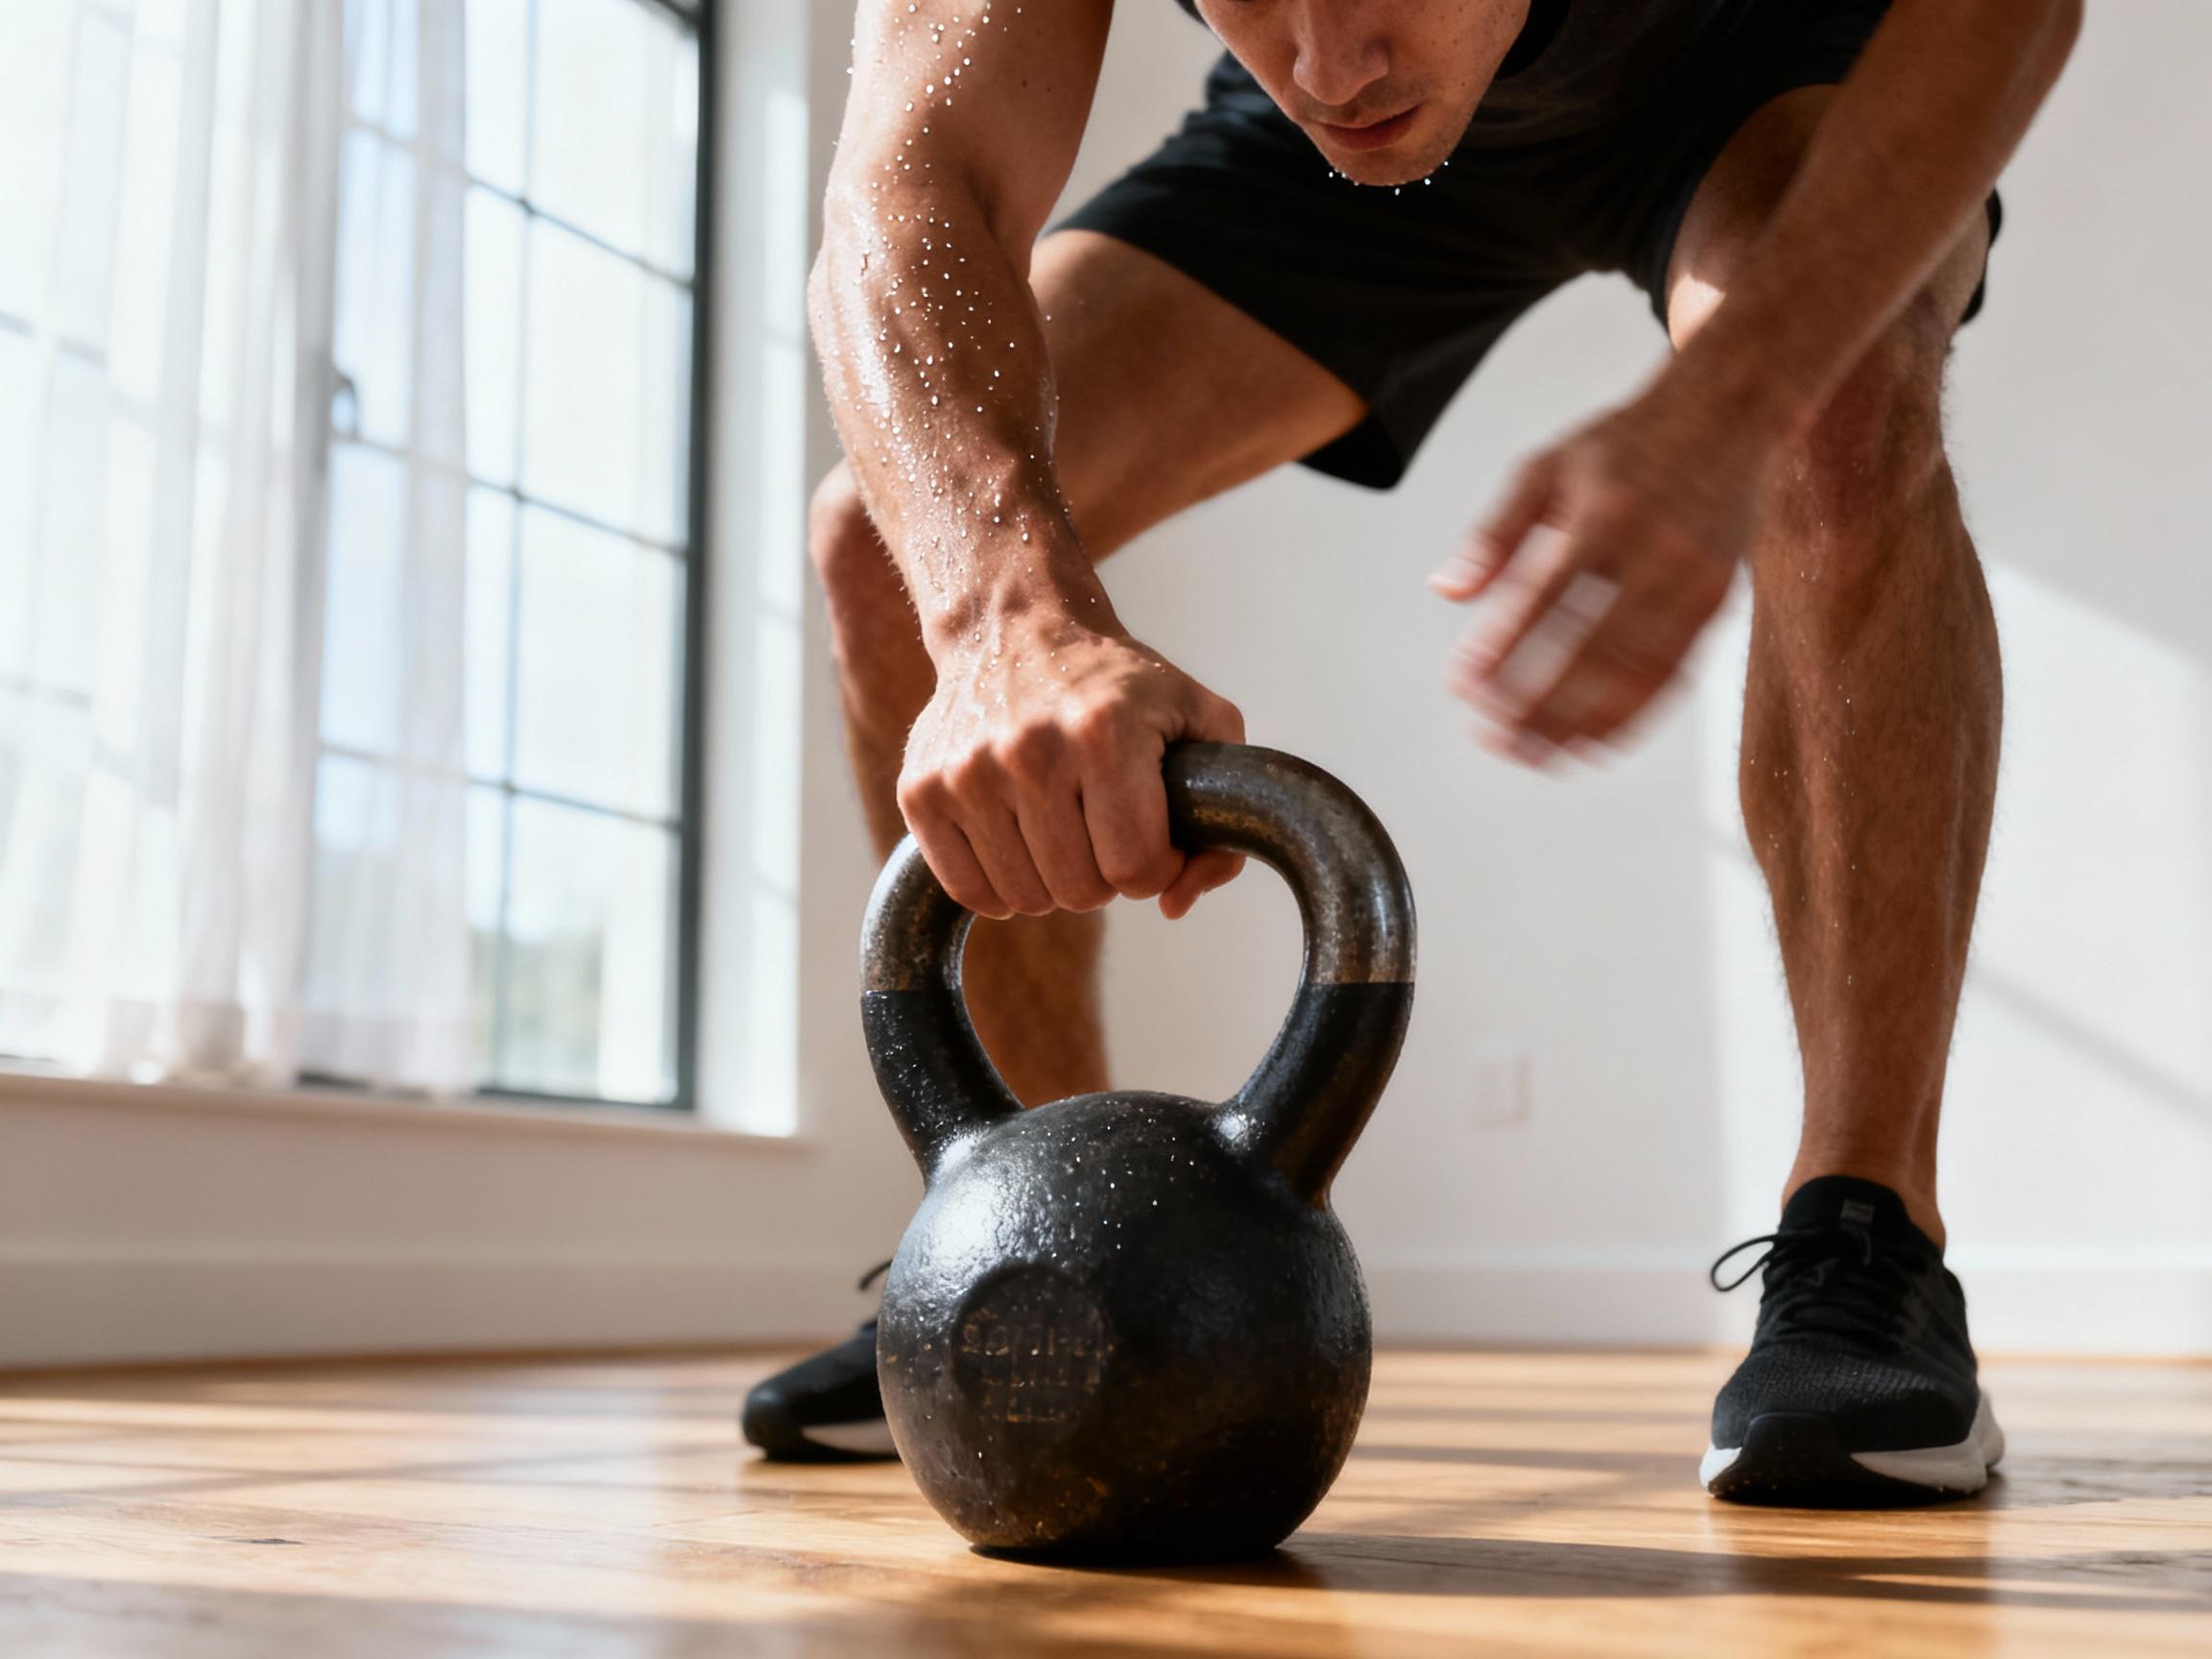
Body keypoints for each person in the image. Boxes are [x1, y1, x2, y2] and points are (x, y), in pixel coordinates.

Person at [740, 0, 2080, 1502]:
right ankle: (1039, 1227)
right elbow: (910, 180)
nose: (1326, 60)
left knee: (1833, 414)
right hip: (1330, 188)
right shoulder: (1338, 66)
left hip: (1758, 60)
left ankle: (1870, 1233)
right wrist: (1003, 614)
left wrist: (1732, 401)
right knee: (888, 542)